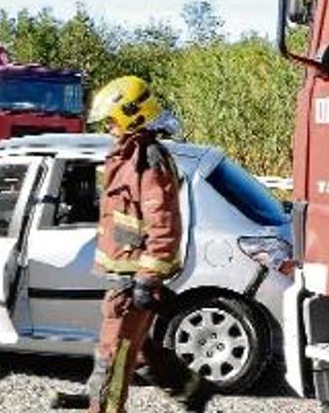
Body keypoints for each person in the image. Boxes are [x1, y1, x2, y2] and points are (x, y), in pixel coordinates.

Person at [54, 76, 214, 413]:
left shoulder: (148, 159)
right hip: (125, 273)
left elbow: (163, 224)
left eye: (113, 119)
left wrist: (147, 277)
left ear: (133, 115)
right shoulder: (127, 154)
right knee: (137, 350)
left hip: (134, 279)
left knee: (113, 358)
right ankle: (193, 390)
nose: (109, 127)